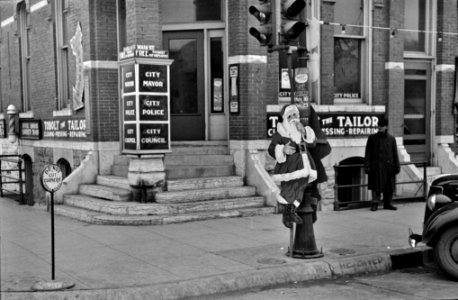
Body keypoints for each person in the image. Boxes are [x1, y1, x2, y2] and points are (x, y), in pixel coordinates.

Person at [268, 104, 317, 228]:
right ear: (285, 118)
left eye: (295, 115)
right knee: (289, 189)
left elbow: (313, 143)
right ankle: (287, 213)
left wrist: (305, 131)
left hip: (304, 165)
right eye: (290, 116)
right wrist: (282, 149)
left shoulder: (302, 130)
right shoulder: (280, 133)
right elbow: (271, 149)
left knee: (300, 188)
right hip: (289, 167)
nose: (293, 118)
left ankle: (291, 211)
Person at [296, 99, 331, 223]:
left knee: (311, 189)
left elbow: (316, 138)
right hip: (302, 160)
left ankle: (310, 210)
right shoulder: (296, 110)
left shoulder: (307, 109)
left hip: (308, 160)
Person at [364, 117, 400, 211]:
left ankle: (387, 203)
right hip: (376, 166)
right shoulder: (372, 138)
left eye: (382, 126)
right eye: (379, 126)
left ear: (386, 127)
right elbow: (368, 153)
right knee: (376, 186)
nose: (379, 128)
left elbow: (395, 153)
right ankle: (375, 203)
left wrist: (397, 166)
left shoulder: (391, 139)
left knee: (389, 187)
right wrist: (367, 166)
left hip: (388, 167)